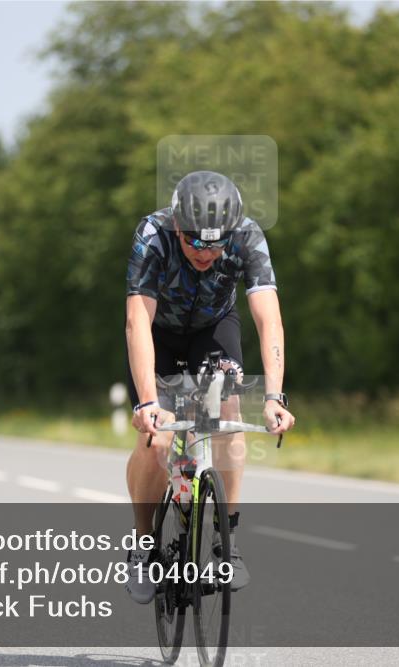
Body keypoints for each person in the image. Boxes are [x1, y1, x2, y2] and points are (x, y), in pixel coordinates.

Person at [124, 170, 295, 604]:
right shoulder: (154, 234)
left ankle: (226, 544)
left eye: (216, 245)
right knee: (158, 439)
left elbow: (269, 320)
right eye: (195, 243)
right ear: (178, 227)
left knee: (227, 412)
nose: (206, 253)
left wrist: (274, 397)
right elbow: (137, 320)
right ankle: (143, 546)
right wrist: (147, 402)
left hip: (213, 330)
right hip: (158, 335)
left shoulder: (248, 236)